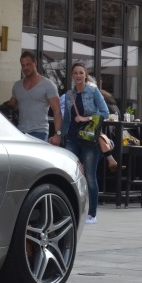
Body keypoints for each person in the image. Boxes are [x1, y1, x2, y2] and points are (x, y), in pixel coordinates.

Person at [60, 61, 110, 225]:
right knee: (69, 174)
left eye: (81, 73)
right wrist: (61, 135)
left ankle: (92, 214)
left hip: (89, 139)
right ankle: (69, 210)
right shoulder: (69, 95)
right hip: (73, 138)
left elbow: (105, 113)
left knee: (89, 175)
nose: (78, 76)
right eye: (75, 73)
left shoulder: (93, 91)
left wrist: (85, 118)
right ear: (72, 76)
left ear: (85, 75)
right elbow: (67, 118)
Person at [11, 51, 63, 145]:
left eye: (28, 64)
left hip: (39, 133)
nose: (25, 68)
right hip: (20, 133)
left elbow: (57, 111)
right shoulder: (17, 86)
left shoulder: (48, 85)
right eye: (23, 65)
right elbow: (12, 106)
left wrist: (57, 134)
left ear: (35, 64)